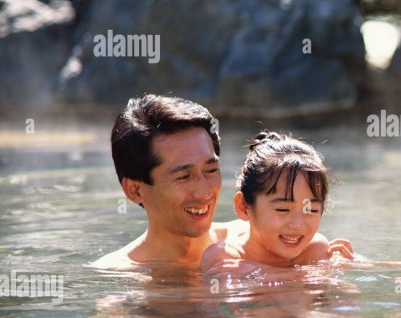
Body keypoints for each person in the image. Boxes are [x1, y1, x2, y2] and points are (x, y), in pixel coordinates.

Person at [92, 94, 245, 269]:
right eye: (183, 177)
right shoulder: (120, 278)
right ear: (135, 190)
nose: (205, 192)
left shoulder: (257, 242)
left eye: (210, 171)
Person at [201, 131, 353, 273]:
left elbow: (344, 296)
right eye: (283, 209)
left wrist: (352, 263)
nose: (297, 224)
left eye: (310, 209)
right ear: (244, 206)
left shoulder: (315, 250)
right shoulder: (225, 258)